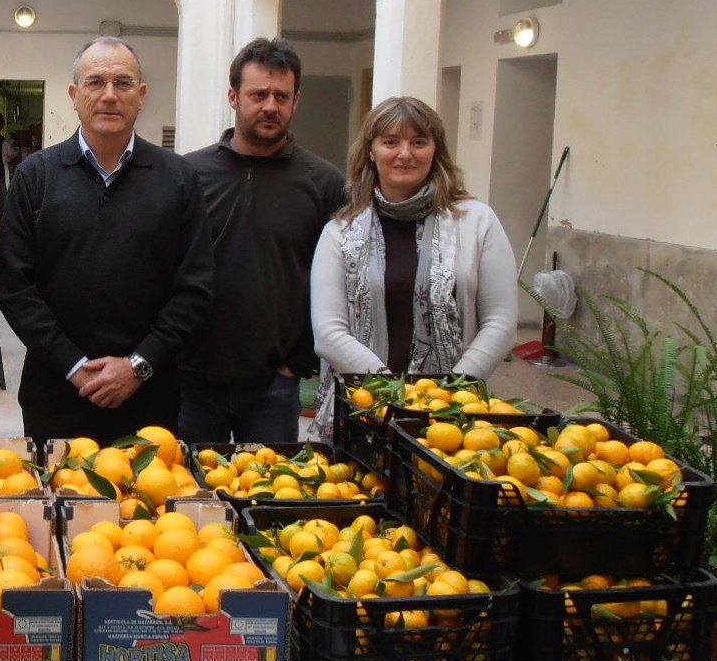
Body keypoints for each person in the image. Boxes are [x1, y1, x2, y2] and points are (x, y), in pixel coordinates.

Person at [0, 36, 215, 446]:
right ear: (74, 95)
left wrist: (139, 365)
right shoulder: (36, 176)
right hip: (56, 393)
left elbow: (195, 289)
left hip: (150, 396)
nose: (109, 95)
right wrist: (75, 366)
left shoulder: (178, 179)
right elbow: (15, 287)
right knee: (58, 505)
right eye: (96, 82)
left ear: (142, 95)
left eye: (123, 83)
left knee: (147, 506)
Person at [180, 38, 346, 445]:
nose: (271, 105)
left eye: (282, 95)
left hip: (276, 383)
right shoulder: (187, 174)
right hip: (193, 379)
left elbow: (335, 281)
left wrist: (299, 362)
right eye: (258, 94)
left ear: (296, 100)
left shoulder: (324, 183)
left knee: (270, 498)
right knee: (190, 497)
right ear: (234, 97)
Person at [311, 96, 517, 393]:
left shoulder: (478, 222)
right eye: (390, 142)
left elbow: (501, 323)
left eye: (419, 142)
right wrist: (395, 393)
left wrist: (449, 392)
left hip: (453, 410)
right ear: (371, 151)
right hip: (364, 404)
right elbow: (329, 334)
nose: (404, 154)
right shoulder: (340, 232)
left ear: (436, 151)